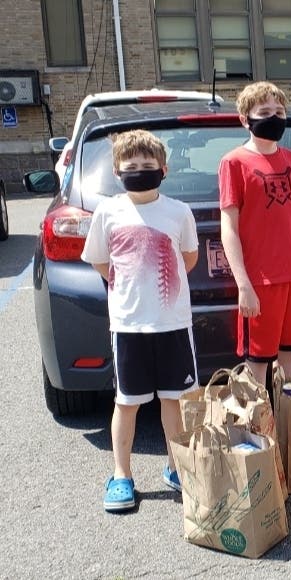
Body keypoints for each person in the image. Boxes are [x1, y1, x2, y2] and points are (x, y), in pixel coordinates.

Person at [82, 129, 199, 512]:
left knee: (173, 402)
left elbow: (189, 258)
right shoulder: (108, 211)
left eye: (148, 166)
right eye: (131, 166)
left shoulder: (179, 211)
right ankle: (121, 475)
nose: (140, 171)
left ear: (163, 170)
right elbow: (100, 260)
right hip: (129, 326)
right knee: (127, 403)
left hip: (172, 324)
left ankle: (176, 467)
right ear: (118, 172)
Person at [218, 81, 291, 388]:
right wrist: (243, 285)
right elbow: (229, 229)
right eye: (264, 111)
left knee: (289, 365)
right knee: (257, 367)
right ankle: (259, 433)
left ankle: (288, 431)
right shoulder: (233, 163)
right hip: (261, 284)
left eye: (279, 111)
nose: (274, 117)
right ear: (245, 119)